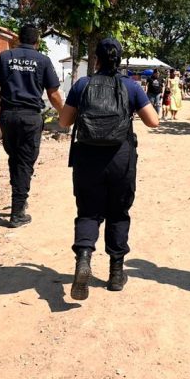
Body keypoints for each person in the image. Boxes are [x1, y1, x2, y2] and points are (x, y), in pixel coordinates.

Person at [59, 38, 159, 301]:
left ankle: (83, 259)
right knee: (118, 213)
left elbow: (64, 121)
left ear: (97, 58)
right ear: (119, 59)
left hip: (87, 159)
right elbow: (154, 122)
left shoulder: (82, 85)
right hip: (120, 158)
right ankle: (116, 274)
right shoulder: (131, 86)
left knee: (88, 212)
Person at [0, 24, 64, 227]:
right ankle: (17, 213)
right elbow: (53, 93)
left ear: (18, 39)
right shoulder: (43, 60)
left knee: (16, 159)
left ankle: (19, 200)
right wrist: (65, 115)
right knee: (25, 162)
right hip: (30, 118)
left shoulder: (5, 57)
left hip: (8, 116)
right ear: (37, 41)